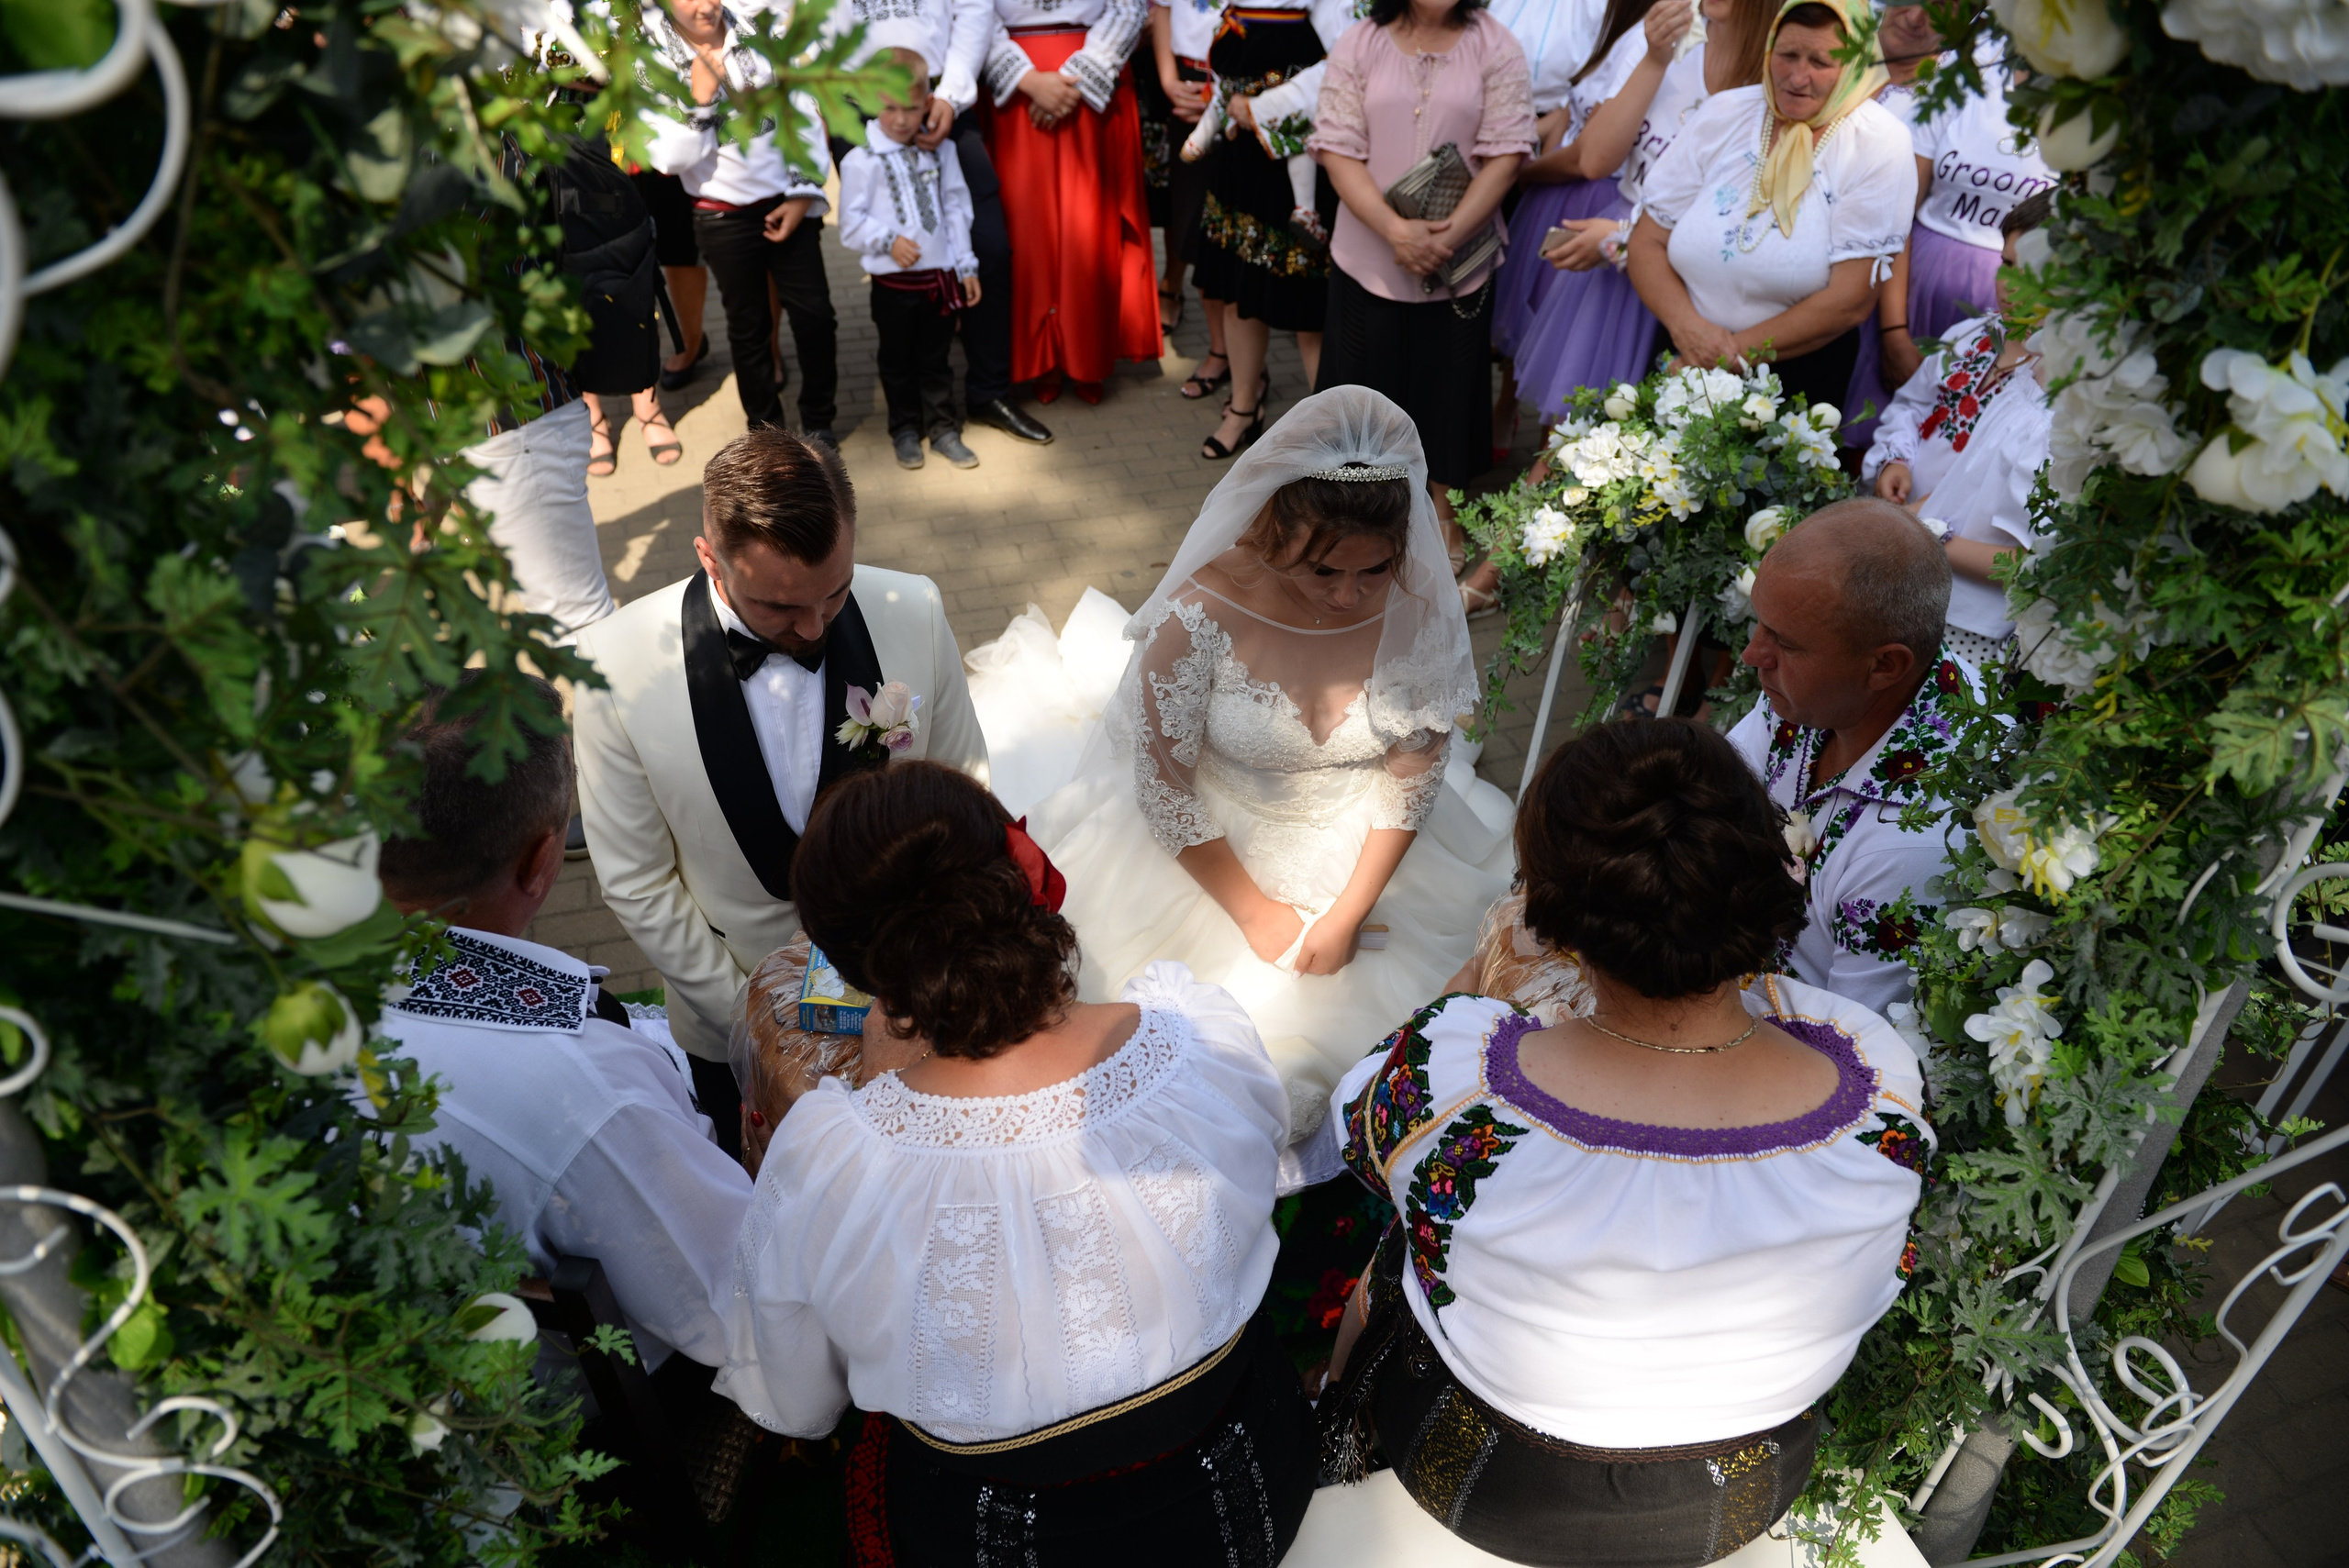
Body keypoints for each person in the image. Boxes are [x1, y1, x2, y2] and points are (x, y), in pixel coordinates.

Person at [1302, 717, 1931, 1565]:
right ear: (1761, 873)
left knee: (1406, 1230)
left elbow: (1362, 1136)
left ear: (1552, 913)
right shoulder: (1877, 1080)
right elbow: (1782, 1010)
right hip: (1740, 1489)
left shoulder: (1458, 1081)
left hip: (1486, 1483)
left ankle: (1332, 1411)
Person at [713, 762, 1317, 1563]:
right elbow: (1258, 1169)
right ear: (1020, 878)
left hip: (1006, 1537)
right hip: (1248, 1489)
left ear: (862, 974)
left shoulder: (833, 1160)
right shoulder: (1197, 1037)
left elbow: (797, 1394)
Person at [966, 387, 1519, 1147]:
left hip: (1371, 847)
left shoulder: (1413, 601)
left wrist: (1351, 908)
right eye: (1324, 571)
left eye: (1374, 569)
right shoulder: (1200, 612)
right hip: (1211, 846)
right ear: (1278, 528)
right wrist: (1258, 914)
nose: (1350, 595)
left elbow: (1415, 768)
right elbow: (1163, 783)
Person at [568, 428, 989, 1156]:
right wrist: (755, 1022)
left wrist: (926, 979)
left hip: (910, 1006)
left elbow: (966, 794)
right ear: (710, 558)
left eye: (836, 591)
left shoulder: (913, 607)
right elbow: (637, 881)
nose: (816, 626)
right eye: (779, 608)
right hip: (726, 1024)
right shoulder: (615, 668)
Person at [377, 674, 751, 1374]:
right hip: (554, 1418)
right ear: (544, 860)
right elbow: (734, 1301)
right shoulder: (587, 1089)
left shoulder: (265, 975)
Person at [1310, 0, 1535, 571]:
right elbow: (1337, 149)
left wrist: (1447, 236)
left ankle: (1443, 515)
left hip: (1458, 261)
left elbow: (1506, 155)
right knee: (1359, 392)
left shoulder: (1497, 45)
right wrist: (1395, 232)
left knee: (1451, 390)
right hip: (1369, 256)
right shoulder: (1359, 41)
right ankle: (1351, 519)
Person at [1727, 497, 1965, 1011]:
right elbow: (1713, 791)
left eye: (1785, 644)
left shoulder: (1910, 844)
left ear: (1885, 666)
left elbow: (1851, 1048)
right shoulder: (1826, 691)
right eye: (1760, 624)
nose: (1752, 655)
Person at [1627, 0, 1915, 410]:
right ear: (1769, 51)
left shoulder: (1878, 142)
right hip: (1681, 352)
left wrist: (1729, 354)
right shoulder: (1726, 112)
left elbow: (1850, 300)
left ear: (1855, 64)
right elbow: (1646, 242)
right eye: (1788, 55)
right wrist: (1688, 330)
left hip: (1791, 381)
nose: (1798, 76)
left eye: (1821, 61)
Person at [1508, 0, 1774, 434]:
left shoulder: (1780, 77)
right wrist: (1654, 58)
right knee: (1571, 437)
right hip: (1617, 280)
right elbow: (1595, 158)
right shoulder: (1664, 41)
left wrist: (1622, 237)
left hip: (1701, 284)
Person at [851, 2, 1057, 446]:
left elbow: (974, 7)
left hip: (939, 94)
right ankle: (907, 416)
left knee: (989, 247)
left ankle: (988, 391)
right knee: (898, 262)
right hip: (860, 101)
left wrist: (950, 94)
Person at [1860, 195, 2053, 665]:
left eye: (2033, 273)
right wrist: (1896, 458)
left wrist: (1927, 529)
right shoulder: (1969, 337)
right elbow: (1912, 403)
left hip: (1965, 590)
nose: (2011, 286)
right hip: (1908, 530)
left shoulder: (2048, 392)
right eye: (2006, 264)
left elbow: (2024, 558)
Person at [640, 0, 842, 445]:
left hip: (788, 202)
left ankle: (820, 422)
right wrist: (699, 99)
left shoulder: (758, 29)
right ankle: (767, 436)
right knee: (748, 331)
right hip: (722, 216)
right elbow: (670, 160)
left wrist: (804, 193)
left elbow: (804, 110)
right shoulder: (652, 58)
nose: (705, 5)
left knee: (816, 317)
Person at [1845, 8, 2051, 446]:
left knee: (1965, 446)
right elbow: (1901, 212)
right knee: (1873, 438)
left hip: (2012, 305)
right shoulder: (1972, 64)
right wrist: (1894, 332)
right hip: (1910, 292)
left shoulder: (2088, 98)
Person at [979, 0, 1161, 403]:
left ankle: (1086, 355)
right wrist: (1026, 80)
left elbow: (1127, 9)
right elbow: (974, 11)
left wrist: (1077, 78)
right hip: (1016, 90)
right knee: (1026, 226)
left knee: (1090, 223)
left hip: (1091, 82)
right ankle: (1038, 359)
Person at [1486, 0, 1654, 433]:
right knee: (1530, 320)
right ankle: (1508, 406)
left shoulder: (1647, 42)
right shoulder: (1620, 28)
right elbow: (1571, 111)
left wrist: (1523, 171)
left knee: (1563, 340)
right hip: (1559, 190)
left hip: (1587, 195)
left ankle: (1544, 445)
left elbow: (1589, 157)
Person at [835, 50, 987, 472]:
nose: (901, 119)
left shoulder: (943, 150)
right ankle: (904, 429)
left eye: (912, 108)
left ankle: (943, 428)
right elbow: (849, 225)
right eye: (890, 108)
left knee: (936, 358)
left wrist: (966, 265)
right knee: (897, 360)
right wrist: (887, 240)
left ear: (929, 101)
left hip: (939, 276)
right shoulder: (860, 158)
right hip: (894, 285)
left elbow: (957, 208)